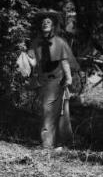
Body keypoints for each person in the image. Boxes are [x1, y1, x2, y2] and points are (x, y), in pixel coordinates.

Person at [26, 11, 78, 150]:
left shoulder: (59, 42)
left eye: (48, 22)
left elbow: (65, 60)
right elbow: (34, 62)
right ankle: (61, 144)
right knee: (57, 112)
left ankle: (48, 145)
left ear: (54, 26)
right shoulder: (36, 42)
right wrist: (25, 59)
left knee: (48, 110)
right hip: (43, 81)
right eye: (43, 22)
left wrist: (68, 78)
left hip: (57, 80)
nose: (45, 24)